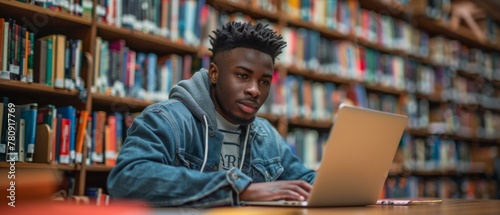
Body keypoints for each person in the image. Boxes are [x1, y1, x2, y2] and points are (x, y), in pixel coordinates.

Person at [107, 21, 316, 207]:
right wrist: (238, 188)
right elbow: (127, 180)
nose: (255, 90)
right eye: (243, 75)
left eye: (264, 81)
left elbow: (307, 181)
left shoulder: (265, 134)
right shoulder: (166, 120)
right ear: (214, 74)